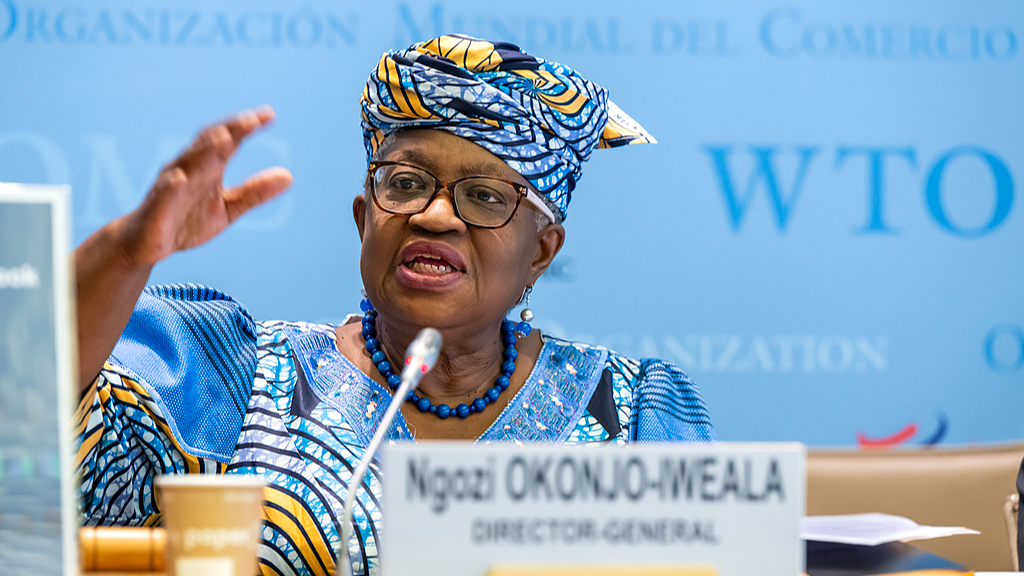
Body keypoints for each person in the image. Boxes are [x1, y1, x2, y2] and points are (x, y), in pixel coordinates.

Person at [73, 34, 715, 576]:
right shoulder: (235, 376)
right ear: (364, 219)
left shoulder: (630, 413)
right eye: (404, 184)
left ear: (541, 253)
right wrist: (126, 255)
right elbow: (31, 421)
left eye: (486, 196)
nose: (434, 215)